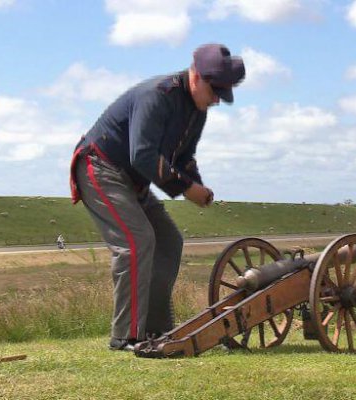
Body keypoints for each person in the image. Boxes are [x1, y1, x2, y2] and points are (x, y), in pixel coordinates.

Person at [69, 43, 245, 351]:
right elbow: (143, 156)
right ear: (196, 77)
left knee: (168, 240)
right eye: (215, 91)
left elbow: (184, 158)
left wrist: (198, 186)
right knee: (136, 243)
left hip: (133, 181)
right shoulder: (157, 95)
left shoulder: (196, 112)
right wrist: (187, 189)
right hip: (100, 168)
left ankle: (157, 330)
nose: (217, 100)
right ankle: (126, 336)